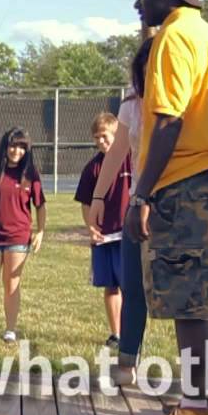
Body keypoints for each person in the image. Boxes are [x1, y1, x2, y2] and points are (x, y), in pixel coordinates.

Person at [124, 0, 208, 415]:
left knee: (187, 296)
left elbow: (169, 121)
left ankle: (192, 411)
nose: (136, 3)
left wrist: (141, 195)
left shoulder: (173, 38)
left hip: (185, 180)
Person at [91, 38, 153, 384]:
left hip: (179, 198)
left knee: (190, 298)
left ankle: (203, 381)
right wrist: (100, 196)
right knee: (132, 284)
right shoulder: (133, 95)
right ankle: (127, 362)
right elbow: (119, 148)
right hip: (141, 199)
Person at [0, 126, 47, 344]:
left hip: (18, 239)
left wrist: (40, 231)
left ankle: (10, 329)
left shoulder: (31, 176)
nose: (17, 151)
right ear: (5, 147)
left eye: (22, 147)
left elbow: (40, 206)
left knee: (11, 285)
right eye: (13, 146)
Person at [74, 112, 132, 350]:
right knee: (111, 285)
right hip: (104, 236)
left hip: (128, 234)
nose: (101, 142)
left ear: (117, 134)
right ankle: (116, 333)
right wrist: (91, 227)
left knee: (130, 286)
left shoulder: (131, 159)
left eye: (105, 136)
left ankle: (132, 332)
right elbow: (86, 203)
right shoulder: (92, 168)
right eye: (96, 138)